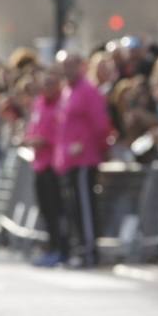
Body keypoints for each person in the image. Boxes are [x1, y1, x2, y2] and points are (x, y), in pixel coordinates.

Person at [54, 50, 112, 268]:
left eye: (71, 64)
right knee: (73, 207)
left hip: (84, 159)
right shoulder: (66, 91)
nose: (66, 70)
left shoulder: (88, 91)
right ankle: (78, 247)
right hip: (68, 161)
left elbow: (100, 125)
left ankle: (89, 249)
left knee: (85, 206)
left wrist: (99, 149)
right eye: (64, 65)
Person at [24, 65, 68, 267]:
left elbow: (61, 130)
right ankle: (51, 247)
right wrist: (30, 139)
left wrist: (44, 140)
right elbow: (33, 128)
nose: (47, 88)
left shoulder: (62, 103)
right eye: (44, 84)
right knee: (46, 211)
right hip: (40, 164)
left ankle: (62, 249)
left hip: (55, 164)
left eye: (51, 83)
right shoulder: (40, 104)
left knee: (58, 210)